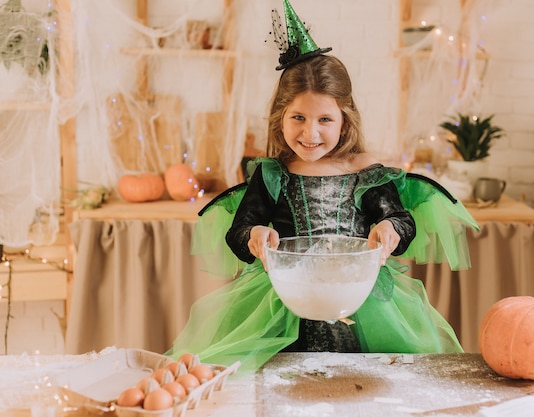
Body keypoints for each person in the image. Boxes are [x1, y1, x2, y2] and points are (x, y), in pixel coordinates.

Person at [166, 0, 479, 373]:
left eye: (324, 119)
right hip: (285, 302)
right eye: (298, 117)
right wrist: (255, 234)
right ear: (280, 117)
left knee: (369, 380)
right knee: (285, 380)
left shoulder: (366, 171)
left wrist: (389, 228)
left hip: (362, 300)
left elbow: (401, 220)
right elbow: (240, 231)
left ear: (344, 122)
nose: (310, 133)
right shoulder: (271, 174)